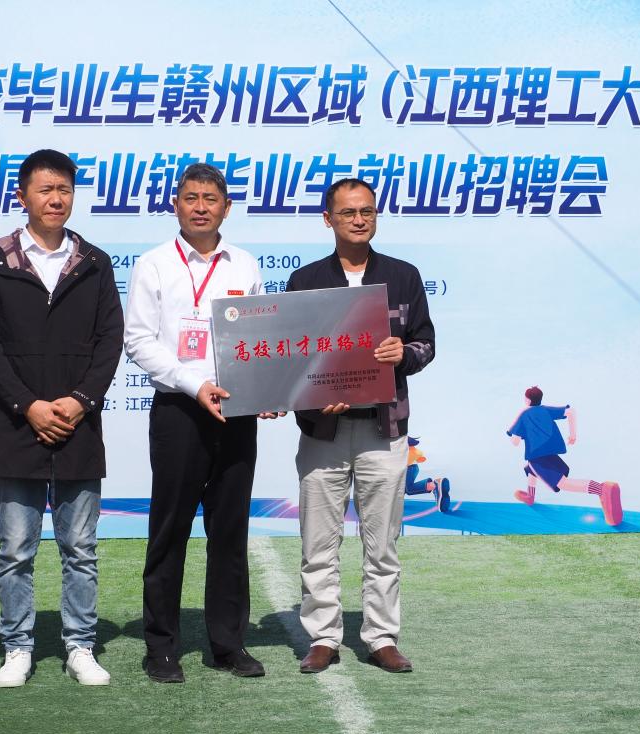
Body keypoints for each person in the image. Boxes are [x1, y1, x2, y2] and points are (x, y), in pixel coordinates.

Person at [0, 149, 123, 687]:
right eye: (45, 189)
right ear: (22, 196)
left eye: (64, 190)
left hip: (79, 425)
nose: (55, 199)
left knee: (80, 549)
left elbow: (110, 341)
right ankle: (18, 647)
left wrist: (80, 400)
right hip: (17, 425)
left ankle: (80, 646)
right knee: (16, 550)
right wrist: (28, 406)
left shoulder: (94, 262)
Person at [125, 163, 271, 683]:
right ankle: (161, 647)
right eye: (191, 198)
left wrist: (267, 391)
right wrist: (194, 384)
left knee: (229, 532)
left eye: (211, 199)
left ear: (226, 208)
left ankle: (228, 645)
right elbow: (138, 340)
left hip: (236, 411)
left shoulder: (244, 264)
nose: (201, 207)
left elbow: (260, 340)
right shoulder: (154, 264)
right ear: (176, 205)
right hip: (180, 412)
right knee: (169, 530)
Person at [286, 178, 435, 674]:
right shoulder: (305, 281)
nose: (358, 219)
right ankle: (323, 637)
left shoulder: (403, 276)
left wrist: (402, 353)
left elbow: (426, 344)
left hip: (383, 428)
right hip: (322, 431)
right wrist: (309, 397)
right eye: (348, 212)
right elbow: (291, 357)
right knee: (318, 543)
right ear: (327, 219)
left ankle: (381, 637)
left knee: (383, 544)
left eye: (367, 211)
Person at [507, 386, 623, 525]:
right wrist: (573, 435)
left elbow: (515, 442)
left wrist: (517, 427)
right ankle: (530, 496)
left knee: (562, 483)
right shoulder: (546, 410)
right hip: (550, 453)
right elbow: (570, 411)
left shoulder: (523, 415)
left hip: (537, 456)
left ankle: (601, 489)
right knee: (531, 469)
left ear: (527, 400)